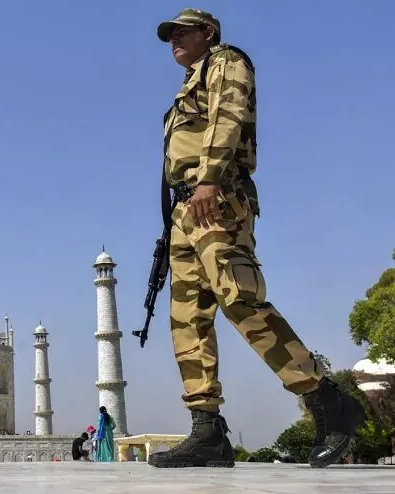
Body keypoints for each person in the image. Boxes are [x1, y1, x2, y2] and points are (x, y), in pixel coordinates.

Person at [149, 8, 364, 469]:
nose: (174, 40)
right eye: (171, 35)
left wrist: (207, 180)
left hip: (216, 196)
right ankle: (207, 429)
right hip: (187, 208)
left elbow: (228, 118)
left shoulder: (227, 62)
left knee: (240, 298)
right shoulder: (189, 82)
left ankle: (326, 399)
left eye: (183, 32)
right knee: (188, 319)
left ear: (208, 33)